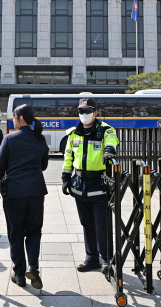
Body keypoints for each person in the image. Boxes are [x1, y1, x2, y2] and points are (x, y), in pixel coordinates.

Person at [0, 104, 49, 289]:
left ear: (21, 119)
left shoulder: (9, 139)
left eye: (14, 117)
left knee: (15, 233)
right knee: (34, 231)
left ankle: (19, 274)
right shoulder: (40, 139)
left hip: (14, 193)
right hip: (35, 192)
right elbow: (43, 166)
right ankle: (33, 266)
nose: (13, 120)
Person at [61, 98, 119, 273]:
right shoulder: (73, 133)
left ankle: (106, 259)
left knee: (101, 224)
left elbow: (112, 140)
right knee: (86, 223)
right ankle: (91, 258)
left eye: (87, 111)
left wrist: (109, 150)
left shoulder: (105, 130)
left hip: (98, 184)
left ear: (95, 113)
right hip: (79, 184)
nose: (83, 115)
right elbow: (68, 157)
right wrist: (65, 177)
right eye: (81, 111)